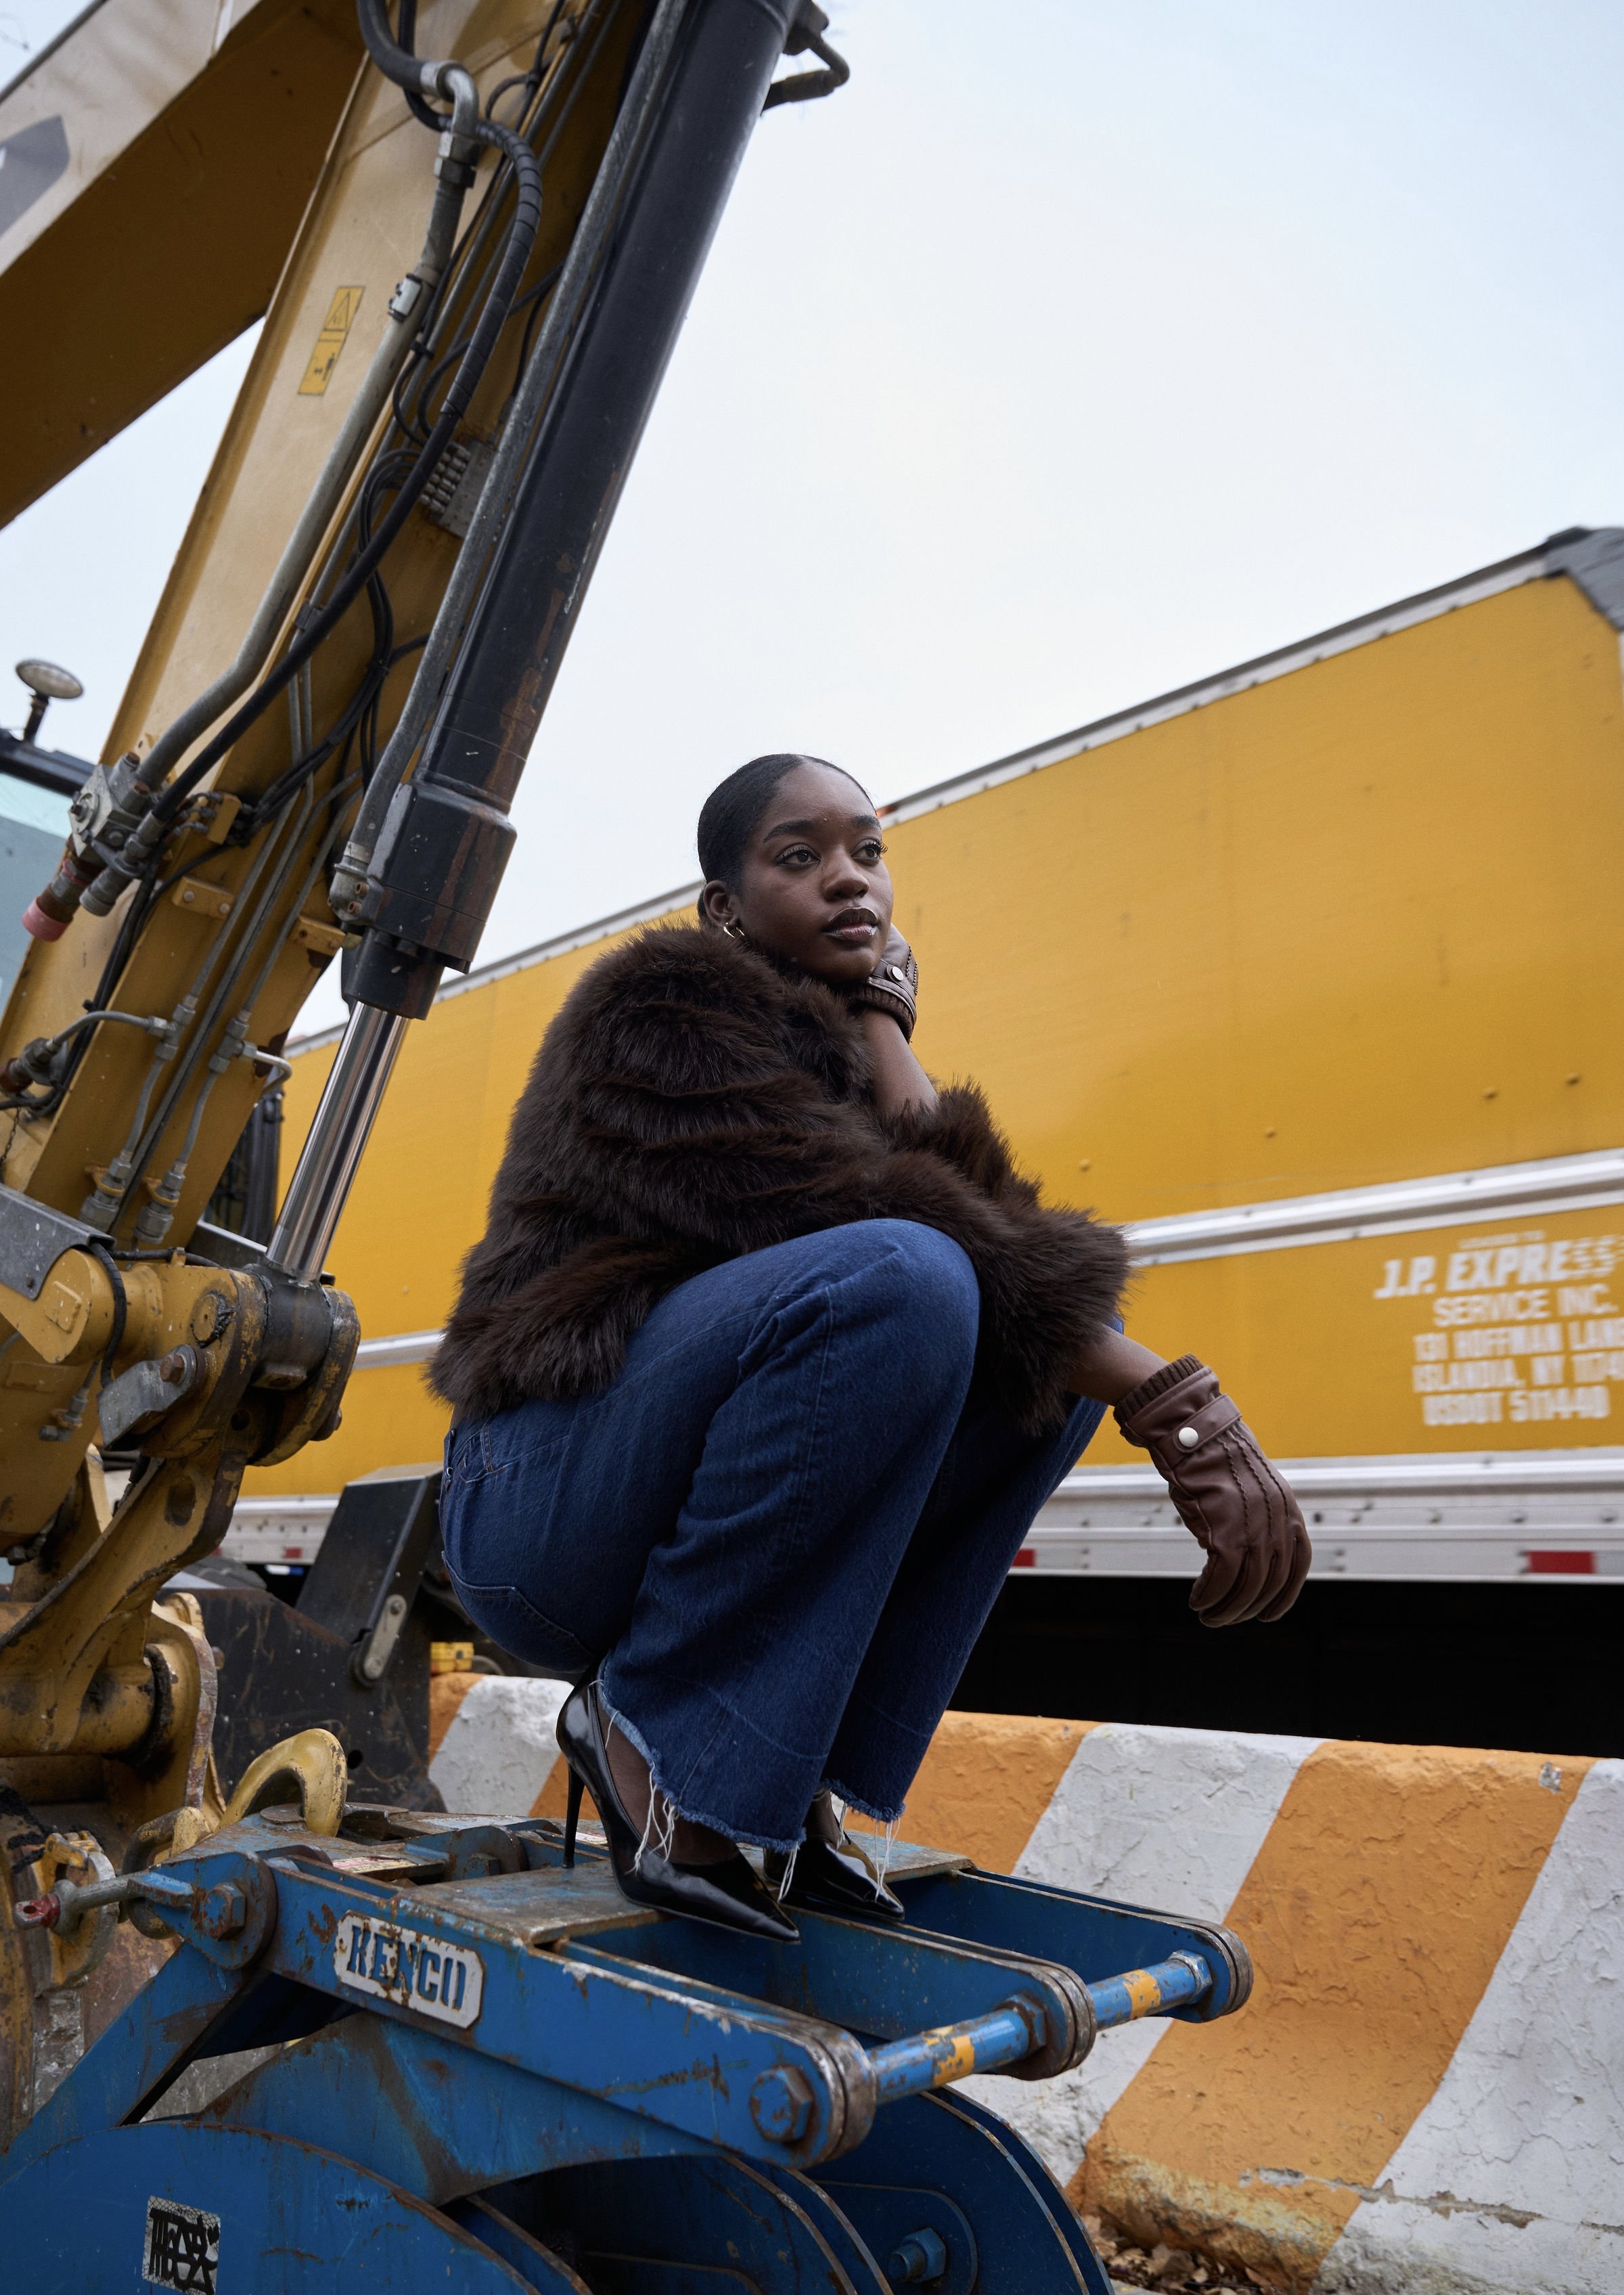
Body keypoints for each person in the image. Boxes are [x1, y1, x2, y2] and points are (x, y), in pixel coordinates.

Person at [432, 755, 1310, 1942]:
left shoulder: (838, 1043)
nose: (851, 882)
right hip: (537, 1499)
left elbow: (997, 1243)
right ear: (725, 909)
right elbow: (864, 1217)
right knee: (911, 1277)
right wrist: (1176, 1406)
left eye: (869, 854)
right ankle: (645, 1727)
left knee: (1025, 1370)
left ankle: (780, 1784)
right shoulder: (658, 1012)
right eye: (801, 858)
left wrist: (883, 1028)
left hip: (646, 1495)